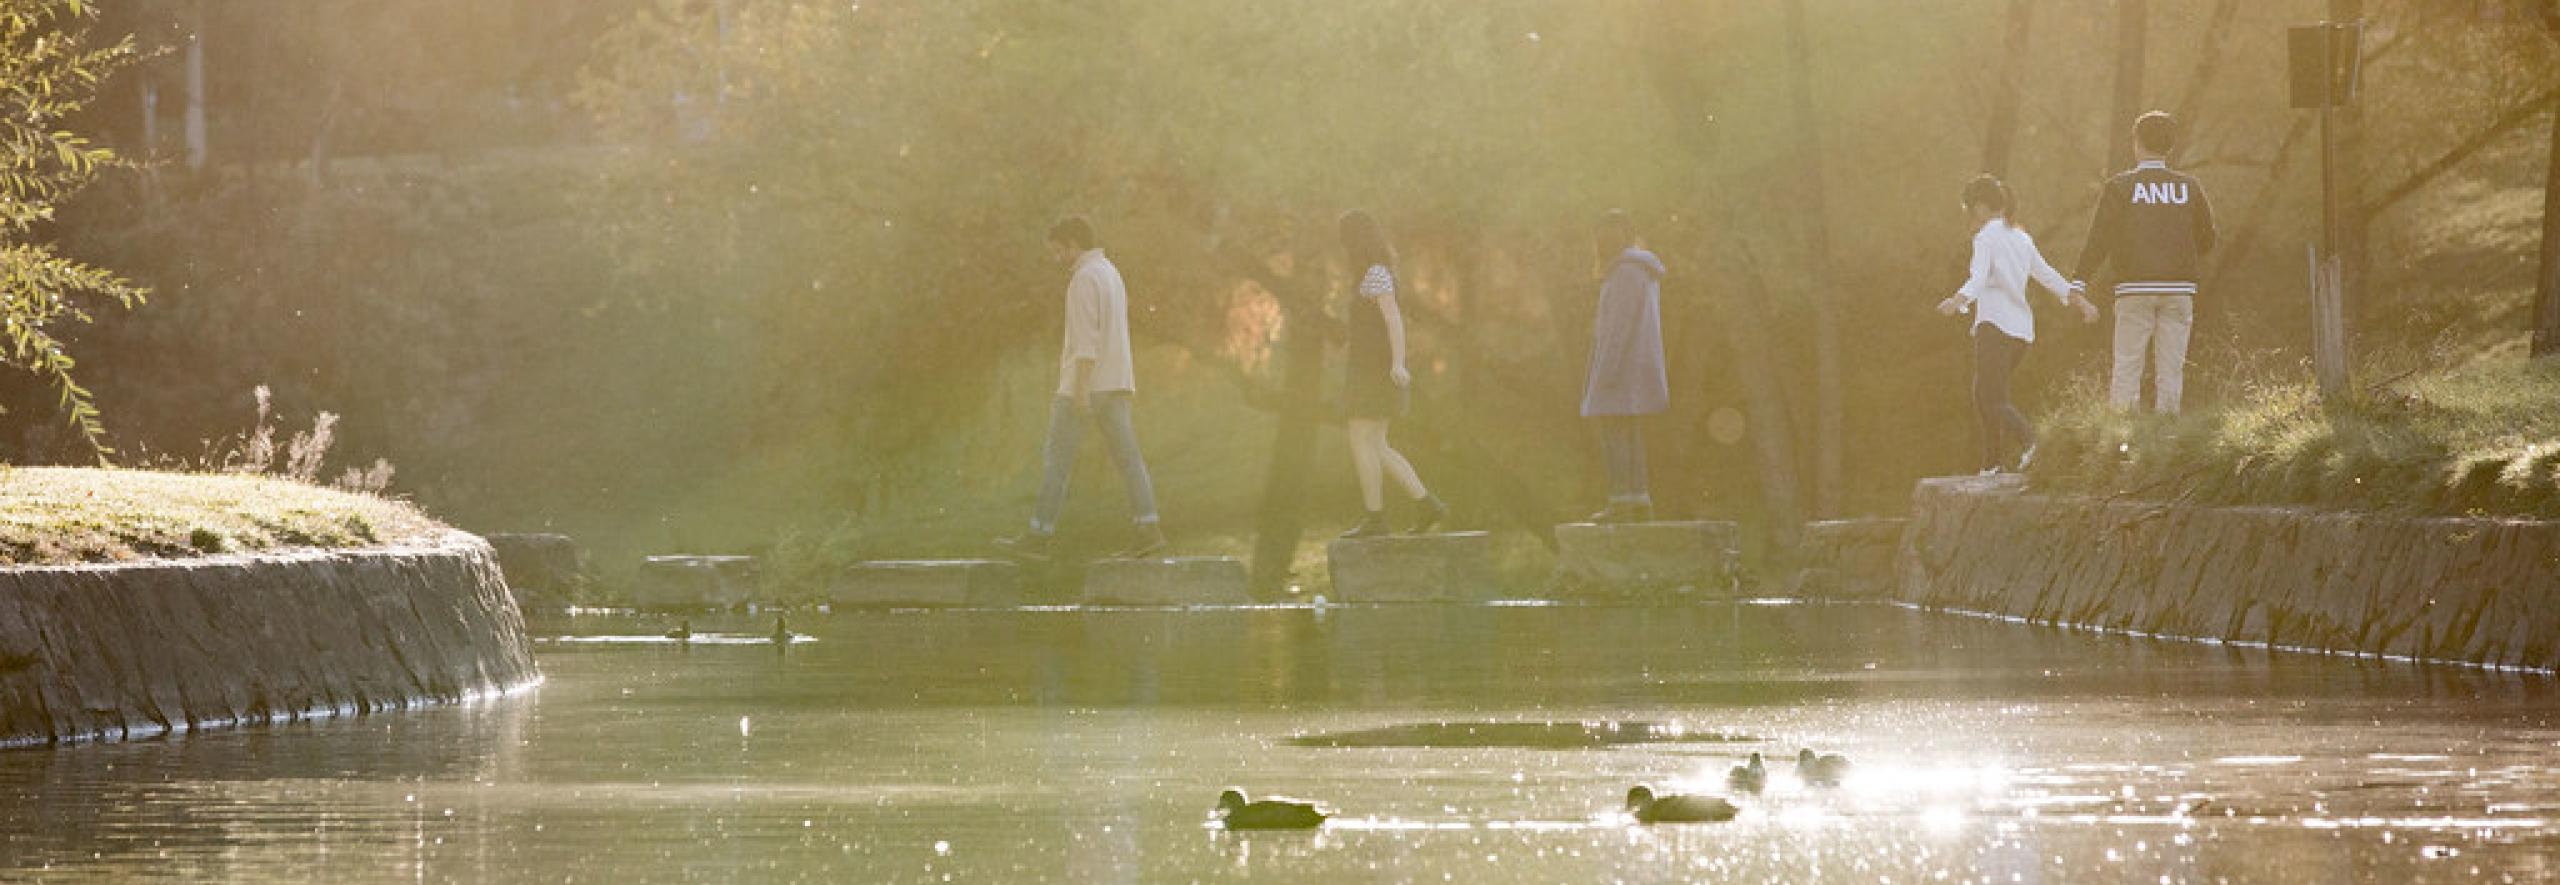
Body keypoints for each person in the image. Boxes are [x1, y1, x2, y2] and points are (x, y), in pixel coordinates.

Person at [994, 216, 1167, 562]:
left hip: (1086, 383)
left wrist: (1079, 391)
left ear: (1074, 244)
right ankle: (1149, 529)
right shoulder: (1111, 273)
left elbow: (1086, 343)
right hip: (1117, 381)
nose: (1057, 258)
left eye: (1059, 251)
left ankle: (1038, 536)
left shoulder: (1083, 279)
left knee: (1057, 460)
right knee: (1129, 459)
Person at [1937, 175, 2099, 475]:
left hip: (1994, 327)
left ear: (1982, 207)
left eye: (1969, 210)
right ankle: (1992, 464)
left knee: (1992, 397)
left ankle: (2031, 442)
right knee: (1983, 392)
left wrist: (1955, 301)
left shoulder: (1986, 237)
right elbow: (2048, 276)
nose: (1969, 219)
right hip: (2021, 334)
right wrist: (2082, 303)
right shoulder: (2022, 238)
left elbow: (1978, 278)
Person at [2075, 110, 2218, 415]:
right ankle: (2165, 442)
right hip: (2179, 289)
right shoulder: (2190, 187)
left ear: (2136, 143)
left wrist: (2079, 278)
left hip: (2134, 288)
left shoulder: (2121, 187)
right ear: (2170, 146)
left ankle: (2122, 443)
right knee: (2171, 371)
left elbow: (2099, 238)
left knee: (2127, 368)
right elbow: (2207, 239)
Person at [1336, 209, 1448, 538]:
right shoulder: (1371, 274)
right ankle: (1426, 504)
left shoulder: (1375, 273)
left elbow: (1394, 319)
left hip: (1374, 372)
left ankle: (1376, 517)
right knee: (1378, 444)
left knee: (1361, 439)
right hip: (1368, 368)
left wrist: (1398, 362)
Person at [1580, 209, 1669, 523]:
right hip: (1636, 364)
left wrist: (1605, 371)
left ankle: (1621, 501)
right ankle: (1638, 498)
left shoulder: (1624, 273)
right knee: (1629, 430)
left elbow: (1618, 328)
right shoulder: (1639, 270)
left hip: (1621, 365)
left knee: (1613, 431)